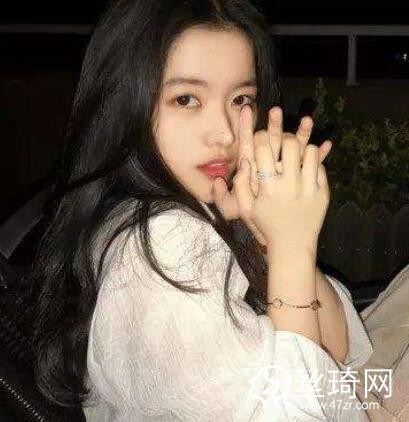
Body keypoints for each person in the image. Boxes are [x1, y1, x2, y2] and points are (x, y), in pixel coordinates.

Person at [27, 0, 375, 420]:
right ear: (125, 104)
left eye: (241, 98)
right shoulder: (160, 243)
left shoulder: (189, 208)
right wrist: (292, 245)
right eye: (187, 99)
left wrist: (270, 237)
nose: (225, 133)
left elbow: (336, 350)